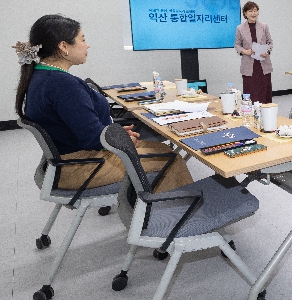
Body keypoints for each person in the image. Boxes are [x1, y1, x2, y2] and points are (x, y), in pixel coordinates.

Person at [14, 14, 193, 192]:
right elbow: (92, 139)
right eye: (83, 39)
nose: (87, 45)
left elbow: (79, 125)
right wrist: (119, 139)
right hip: (83, 166)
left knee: (160, 148)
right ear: (64, 46)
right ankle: (176, 209)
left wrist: (115, 133)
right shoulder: (62, 84)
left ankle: (153, 202)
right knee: (171, 159)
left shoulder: (42, 75)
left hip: (68, 161)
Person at [235, 1, 273, 103]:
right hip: (249, 65)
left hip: (263, 65)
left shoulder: (264, 26)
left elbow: (270, 42)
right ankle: (250, 111)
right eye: (250, 11)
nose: (253, 13)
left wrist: (267, 51)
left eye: (255, 11)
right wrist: (245, 51)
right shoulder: (240, 28)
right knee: (251, 93)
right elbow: (237, 45)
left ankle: (266, 111)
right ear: (245, 13)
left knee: (264, 92)